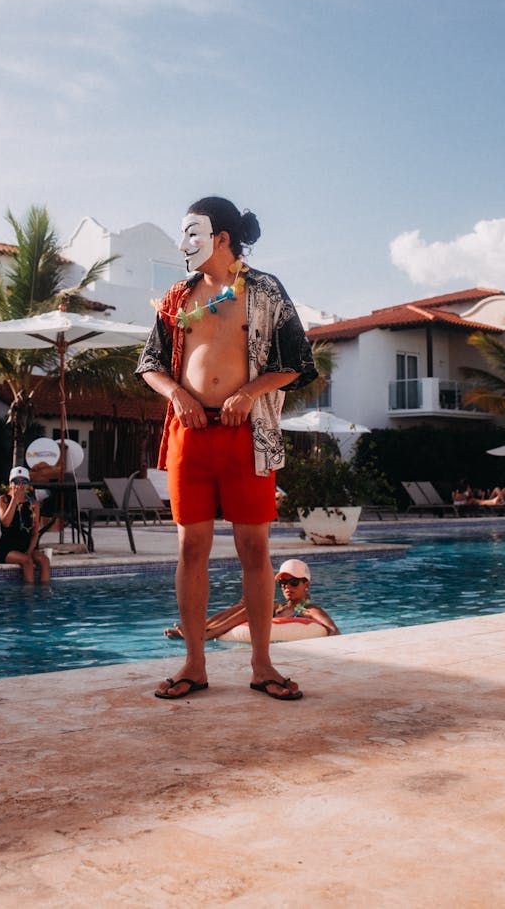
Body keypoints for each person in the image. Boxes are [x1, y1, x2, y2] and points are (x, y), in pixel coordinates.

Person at [137, 195, 317, 701]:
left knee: (254, 548)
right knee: (190, 547)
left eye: (192, 233)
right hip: (190, 435)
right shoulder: (177, 296)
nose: (183, 243)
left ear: (221, 238)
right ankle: (194, 664)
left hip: (247, 434)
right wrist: (176, 394)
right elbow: (150, 363)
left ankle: (262, 664)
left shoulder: (264, 291)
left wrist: (248, 393)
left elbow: (298, 362)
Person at [164, 558, 340, 640]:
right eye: (283, 583)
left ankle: (205, 634)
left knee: (252, 609)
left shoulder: (310, 609)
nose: (287, 587)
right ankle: (199, 629)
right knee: (250, 606)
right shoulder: (279, 607)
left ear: (306, 584)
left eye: (294, 582)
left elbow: (334, 630)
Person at [0, 466, 51, 583]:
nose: (20, 485)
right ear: (10, 484)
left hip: (26, 546)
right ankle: (28, 598)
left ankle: (45, 597)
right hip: (8, 549)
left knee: (44, 560)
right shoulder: (3, 500)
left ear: (28, 485)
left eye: (24, 482)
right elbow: (5, 522)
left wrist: (30, 551)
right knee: (27, 561)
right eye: (16, 481)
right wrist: (14, 500)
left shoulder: (34, 504)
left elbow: (35, 532)